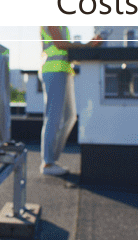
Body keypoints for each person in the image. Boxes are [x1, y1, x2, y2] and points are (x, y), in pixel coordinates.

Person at [38, 26, 100, 176]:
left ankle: (51, 159)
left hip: (63, 71)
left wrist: (85, 49)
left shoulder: (61, 24)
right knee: (53, 117)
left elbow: (65, 49)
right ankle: (47, 163)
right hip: (54, 71)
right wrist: (86, 45)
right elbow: (60, 44)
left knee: (70, 117)